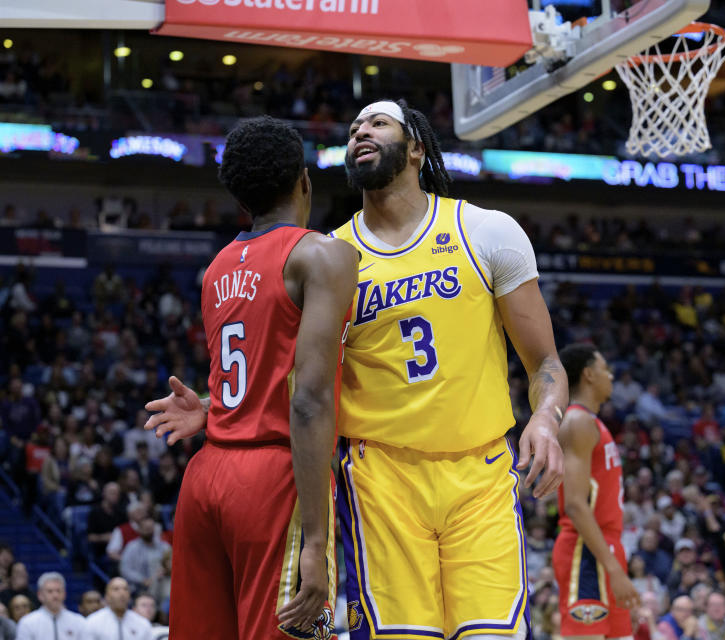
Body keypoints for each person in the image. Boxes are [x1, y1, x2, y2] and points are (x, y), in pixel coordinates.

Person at [146, 99, 566, 639]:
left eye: (378, 122)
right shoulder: (330, 254)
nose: (361, 130)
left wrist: (547, 417)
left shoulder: (486, 231)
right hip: (378, 479)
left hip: (478, 474)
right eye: (353, 128)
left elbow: (546, 362)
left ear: (416, 147)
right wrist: (217, 408)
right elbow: (296, 378)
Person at [142, 116, 358, 639]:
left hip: (207, 475)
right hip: (275, 480)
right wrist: (313, 540)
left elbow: (254, 365)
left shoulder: (217, 266)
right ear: (304, 180)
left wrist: (215, 408)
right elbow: (305, 398)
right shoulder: (322, 253)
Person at [553, 344, 639, 637]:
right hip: (586, 552)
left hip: (606, 547)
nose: (611, 377)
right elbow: (575, 505)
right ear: (589, 374)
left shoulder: (594, 423)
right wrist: (613, 569)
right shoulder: (577, 421)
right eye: (605, 369)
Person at [13, 572, 87, 639]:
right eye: (50, 591)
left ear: (64, 594)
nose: (55, 595)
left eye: (58, 591)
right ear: (40, 595)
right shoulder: (27, 623)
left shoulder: (78, 621)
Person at [85, 577, 153, 640]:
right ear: (107, 596)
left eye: (125, 589)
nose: (122, 593)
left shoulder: (142, 623)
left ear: (129, 596)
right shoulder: (93, 622)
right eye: (116, 589)